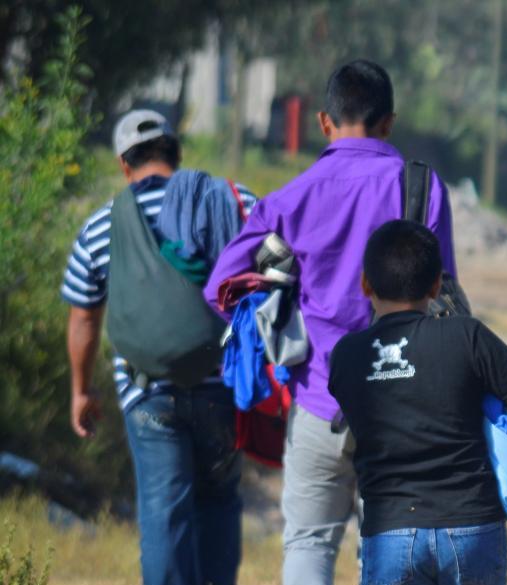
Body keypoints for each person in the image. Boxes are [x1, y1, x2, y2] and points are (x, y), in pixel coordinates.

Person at [204, 59, 457, 584]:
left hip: (318, 403)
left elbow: (221, 289)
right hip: (401, 411)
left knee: (308, 544)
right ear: (389, 122)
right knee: (393, 551)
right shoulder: (422, 189)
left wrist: (278, 322)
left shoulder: (288, 200)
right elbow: (443, 293)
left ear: (324, 122)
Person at [63, 110, 256, 585]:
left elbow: (85, 316)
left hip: (149, 396)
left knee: (164, 513)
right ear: (176, 154)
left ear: (124, 166)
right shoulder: (238, 202)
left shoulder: (100, 226)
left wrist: (81, 392)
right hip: (226, 391)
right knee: (219, 503)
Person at [328, 220, 507, 585]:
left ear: (365, 284)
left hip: (390, 531)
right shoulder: (466, 336)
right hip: (470, 526)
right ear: (435, 285)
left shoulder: (347, 355)